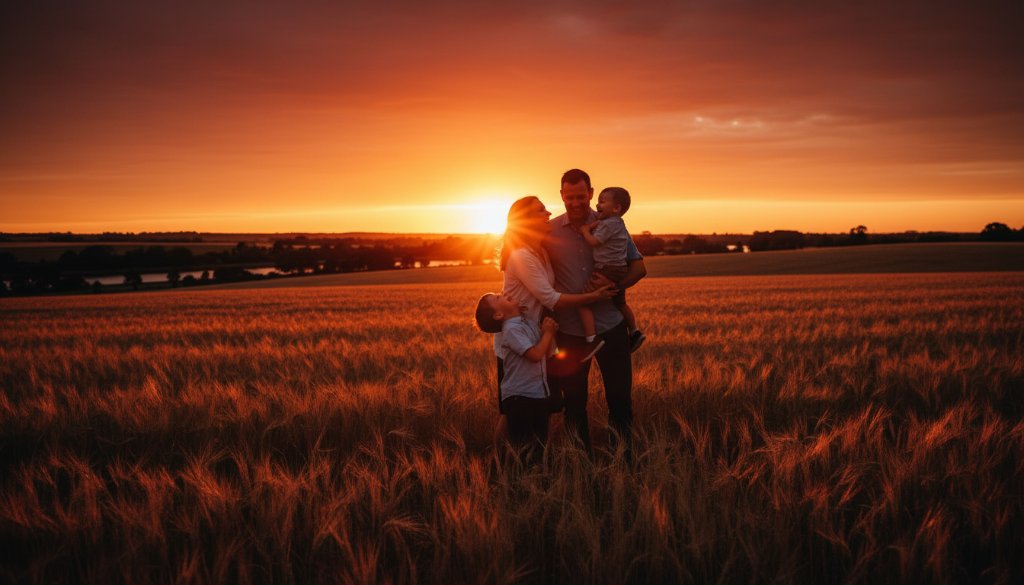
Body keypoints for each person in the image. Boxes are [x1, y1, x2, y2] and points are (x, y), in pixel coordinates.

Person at [478, 196, 616, 452]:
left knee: (540, 406)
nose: (548, 213)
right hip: (518, 342)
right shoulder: (521, 256)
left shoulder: (539, 251)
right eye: (540, 211)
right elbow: (550, 298)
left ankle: (531, 460)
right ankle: (499, 466)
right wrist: (593, 297)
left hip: (537, 338)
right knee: (512, 412)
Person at [544, 169, 647, 453]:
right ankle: (581, 465)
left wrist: (615, 288)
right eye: (570, 197)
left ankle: (624, 463)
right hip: (570, 331)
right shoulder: (548, 231)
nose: (576, 203)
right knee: (575, 403)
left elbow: (639, 267)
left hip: (611, 327)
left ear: (591, 193)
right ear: (562, 196)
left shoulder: (611, 224)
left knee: (620, 400)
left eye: (581, 196)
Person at [475, 293, 559, 450]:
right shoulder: (511, 331)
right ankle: (519, 474)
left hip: (538, 393)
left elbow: (545, 352)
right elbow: (535, 355)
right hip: (520, 398)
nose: (504, 294)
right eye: (498, 298)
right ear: (499, 314)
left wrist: (549, 332)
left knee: (539, 446)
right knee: (522, 447)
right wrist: (547, 333)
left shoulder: (528, 324)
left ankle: (537, 473)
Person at [576, 186, 645, 358]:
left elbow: (593, 241)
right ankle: (635, 331)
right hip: (619, 269)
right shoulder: (618, 224)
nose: (598, 204)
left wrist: (585, 231)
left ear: (616, 208)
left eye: (602, 201)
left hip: (605, 270)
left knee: (582, 302)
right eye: (598, 201)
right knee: (620, 303)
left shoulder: (607, 225)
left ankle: (592, 339)